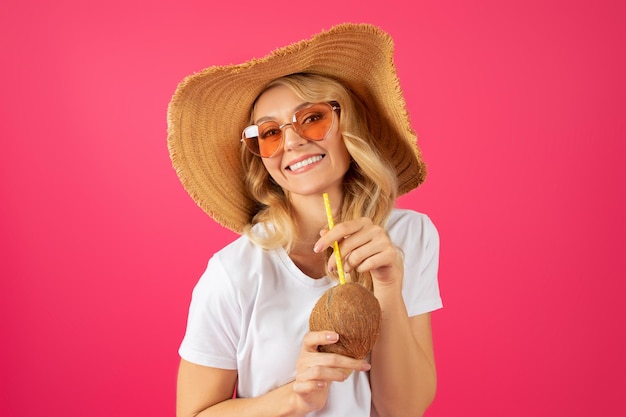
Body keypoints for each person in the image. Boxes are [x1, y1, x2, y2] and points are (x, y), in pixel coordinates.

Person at [167, 23, 442, 417]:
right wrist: (293, 398)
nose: (293, 141)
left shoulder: (408, 237)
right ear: (261, 157)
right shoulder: (235, 272)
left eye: (311, 118)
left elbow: (406, 408)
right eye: (270, 133)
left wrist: (388, 285)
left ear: (349, 126)